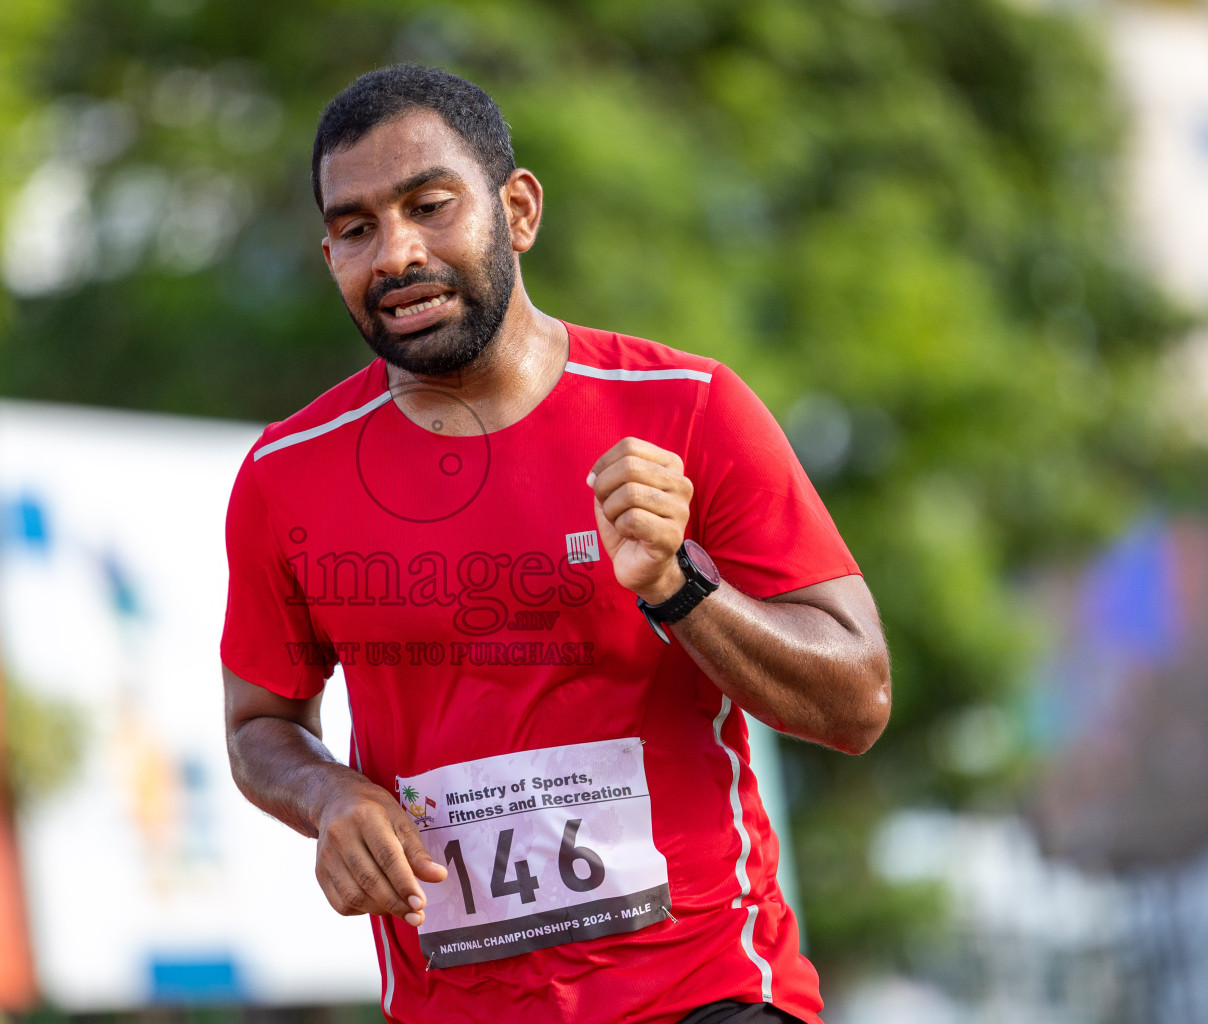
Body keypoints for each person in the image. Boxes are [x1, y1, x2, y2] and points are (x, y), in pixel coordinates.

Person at [221, 64, 891, 1024]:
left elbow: (857, 700)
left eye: (430, 205)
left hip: (708, 993)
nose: (397, 252)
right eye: (357, 227)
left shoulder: (688, 412)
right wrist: (327, 797)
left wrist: (677, 586)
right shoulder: (286, 475)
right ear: (330, 254)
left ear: (518, 209)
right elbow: (259, 727)